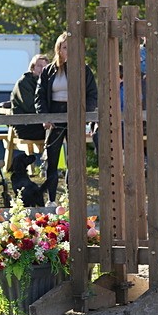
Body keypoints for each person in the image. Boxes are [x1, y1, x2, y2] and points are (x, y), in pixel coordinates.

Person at [35, 32, 99, 203]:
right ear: (59, 50)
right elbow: (40, 96)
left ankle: (74, 199)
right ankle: (52, 199)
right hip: (54, 115)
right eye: (65, 47)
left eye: (72, 47)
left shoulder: (83, 69)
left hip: (75, 115)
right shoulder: (49, 71)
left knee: (75, 159)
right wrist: (44, 117)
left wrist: (85, 114)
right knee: (52, 160)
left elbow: (92, 94)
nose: (68, 51)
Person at [8, 53, 49, 200]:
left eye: (45, 66)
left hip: (42, 123)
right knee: (56, 129)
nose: (41, 69)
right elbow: (32, 107)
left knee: (60, 129)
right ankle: (48, 166)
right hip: (26, 126)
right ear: (32, 67)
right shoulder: (24, 83)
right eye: (39, 66)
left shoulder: (47, 81)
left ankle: (52, 167)